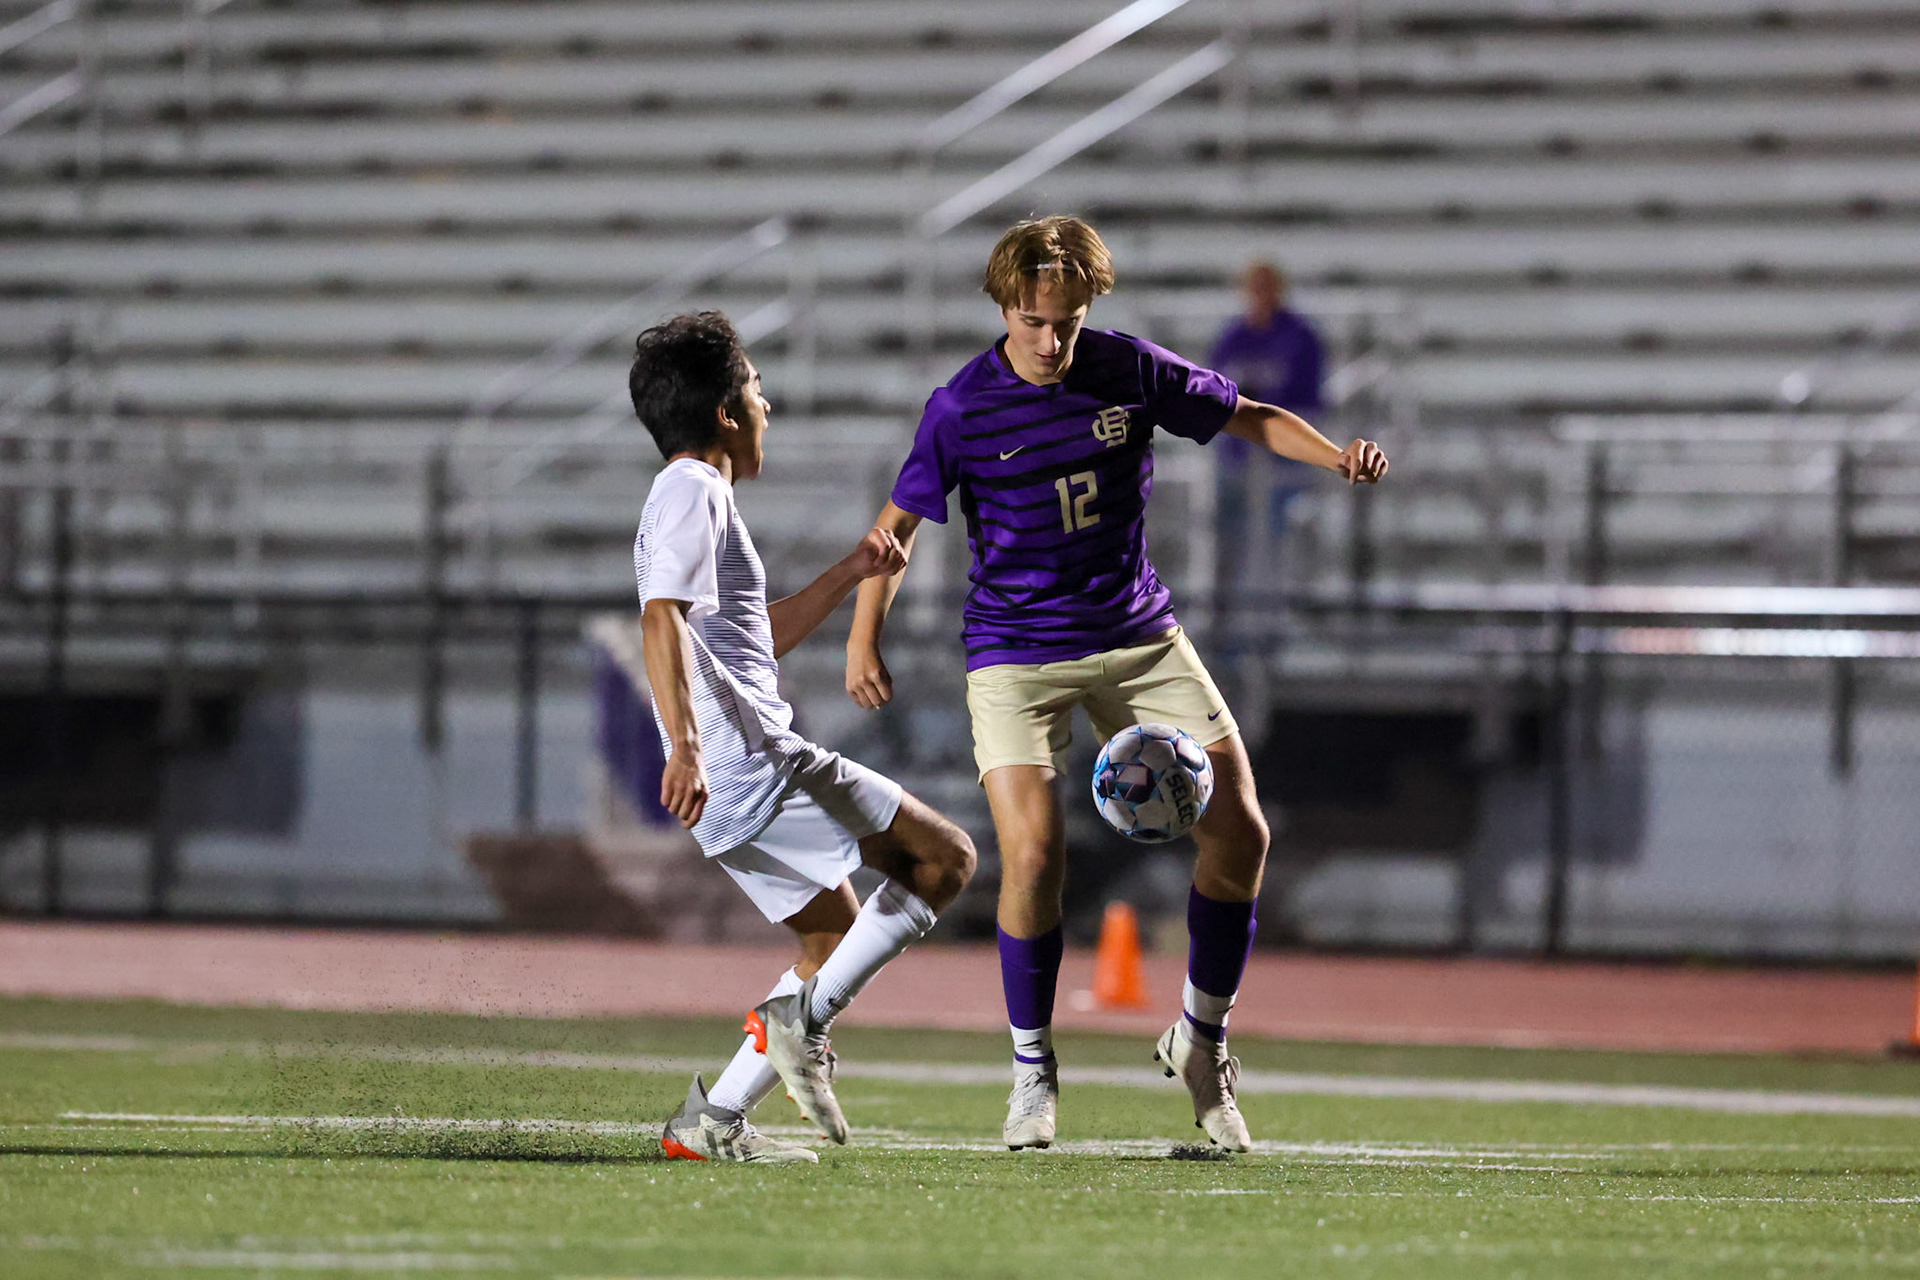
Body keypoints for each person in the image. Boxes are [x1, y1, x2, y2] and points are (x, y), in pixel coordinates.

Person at [844, 218, 1386, 1152]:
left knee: (1243, 829)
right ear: (1003, 308)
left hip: (1138, 636)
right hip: (1015, 653)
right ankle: (1030, 1070)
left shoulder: (1127, 369)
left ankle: (1201, 1041)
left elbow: (1247, 414)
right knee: (1036, 852)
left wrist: (1334, 454)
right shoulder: (962, 406)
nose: (1050, 342)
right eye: (1032, 321)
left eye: (1067, 320)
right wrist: (863, 638)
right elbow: (896, 529)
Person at [630, 311, 977, 1164]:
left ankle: (707, 1124)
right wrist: (685, 745)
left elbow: (753, 636)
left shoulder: (693, 497)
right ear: (724, 412)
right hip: (751, 764)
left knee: (831, 942)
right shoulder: (694, 489)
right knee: (946, 861)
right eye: (754, 389)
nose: (766, 403)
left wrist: (852, 571)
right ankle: (798, 1026)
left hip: (731, 782)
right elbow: (658, 621)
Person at [1208, 260, 1327, 607]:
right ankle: (1227, 617)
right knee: (1226, 539)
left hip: (1283, 464)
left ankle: (1270, 615)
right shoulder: (1233, 337)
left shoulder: (1300, 338)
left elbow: (1309, 401)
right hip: (1236, 461)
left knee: (1274, 544)